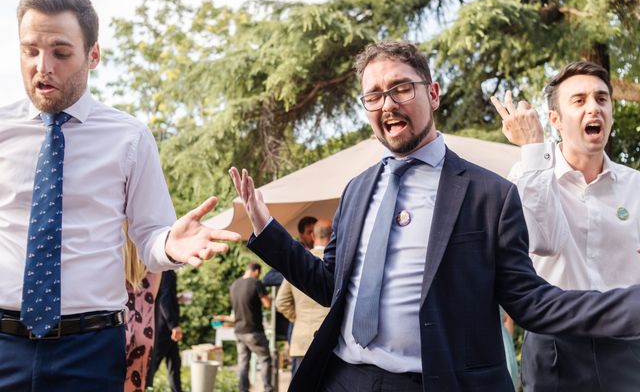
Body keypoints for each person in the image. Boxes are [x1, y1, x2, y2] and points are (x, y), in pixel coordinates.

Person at [229, 40, 640, 392]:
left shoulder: (490, 194)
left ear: (434, 94)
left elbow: (532, 301)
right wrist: (268, 232)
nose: (387, 104)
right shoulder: (356, 189)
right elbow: (331, 286)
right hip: (345, 378)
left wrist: (631, 305)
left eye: (401, 88)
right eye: (373, 96)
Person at [0, 0, 240, 392]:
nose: (43, 66)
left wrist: (169, 245)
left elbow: (149, 237)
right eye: (30, 51)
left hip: (90, 349)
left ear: (93, 55)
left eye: (61, 52)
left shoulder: (129, 138)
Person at [491, 61, 640, 391]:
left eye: (602, 99)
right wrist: (532, 148)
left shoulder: (636, 187)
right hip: (553, 346)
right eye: (579, 100)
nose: (594, 108)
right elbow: (543, 242)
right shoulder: (524, 177)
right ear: (555, 120)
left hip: (628, 345)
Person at [276, 219, 332, 375]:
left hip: (302, 339)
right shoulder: (338, 264)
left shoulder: (299, 261)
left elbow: (281, 301)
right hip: (330, 340)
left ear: (313, 236)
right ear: (334, 236)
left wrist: (298, 318)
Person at [124, 229, 161, 392]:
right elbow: (153, 296)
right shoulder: (154, 266)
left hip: (113, 330)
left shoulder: (108, 260)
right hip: (144, 334)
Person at [229, 263, 274, 392]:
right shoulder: (256, 283)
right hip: (253, 330)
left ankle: (243, 389)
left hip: (239, 331)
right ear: (255, 271)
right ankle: (268, 389)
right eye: (258, 273)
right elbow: (267, 304)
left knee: (243, 363)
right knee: (265, 359)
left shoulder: (234, 285)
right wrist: (270, 298)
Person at [146, 270, 183, 392]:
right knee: (152, 365)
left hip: (167, 326)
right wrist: (173, 325)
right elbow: (163, 299)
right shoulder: (165, 270)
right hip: (164, 327)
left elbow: (165, 295)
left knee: (175, 364)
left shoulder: (167, 270)